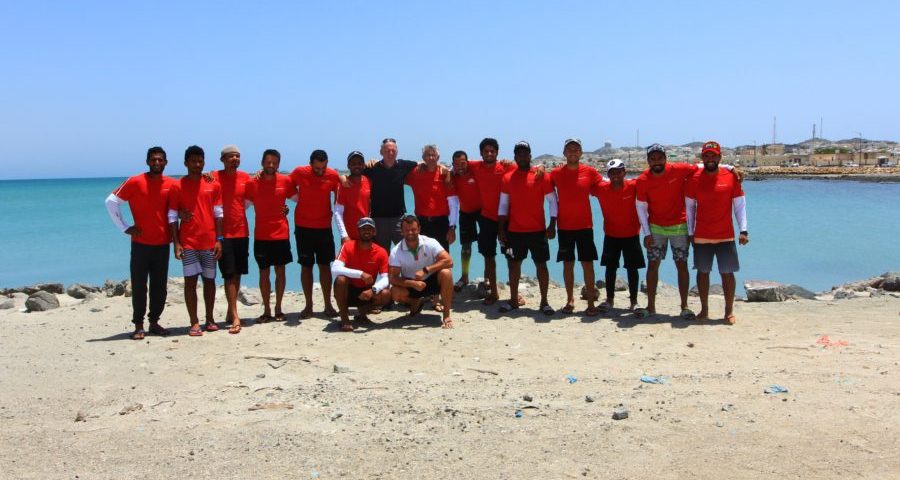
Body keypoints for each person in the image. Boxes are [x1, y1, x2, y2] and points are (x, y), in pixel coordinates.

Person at [636, 143, 739, 319]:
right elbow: (640, 207)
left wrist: (729, 167)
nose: (657, 162)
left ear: (665, 159)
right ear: (648, 161)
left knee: (681, 265)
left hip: (679, 226)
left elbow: (705, 165)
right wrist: (646, 233)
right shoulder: (643, 180)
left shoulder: (678, 169)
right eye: (652, 159)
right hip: (656, 228)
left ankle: (684, 306)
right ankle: (651, 306)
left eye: (660, 158)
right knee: (653, 265)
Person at [105, 146, 178, 340]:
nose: (156, 163)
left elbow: (183, 201)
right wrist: (124, 227)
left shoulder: (171, 184)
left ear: (166, 162)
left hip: (163, 243)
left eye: (160, 160)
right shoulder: (135, 181)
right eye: (153, 160)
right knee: (139, 285)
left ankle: (154, 322)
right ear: (147, 162)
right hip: (140, 244)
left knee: (159, 286)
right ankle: (138, 325)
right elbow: (111, 202)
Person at [686, 141, 749, 325]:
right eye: (707, 155)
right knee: (702, 272)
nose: (710, 159)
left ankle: (728, 312)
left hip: (725, 235)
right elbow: (690, 207)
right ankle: (704, 310)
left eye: (714, 155)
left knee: (727, 273)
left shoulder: (731, 177)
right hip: (702, 234)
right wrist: (690, 232)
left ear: (719, 157)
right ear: (702, 158)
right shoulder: (694, 178)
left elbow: (739, 206)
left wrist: (743, 230)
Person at [168, 146, 224, 337]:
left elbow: (219, 214)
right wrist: (176, 243)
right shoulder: (177, 186)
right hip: (189, 242)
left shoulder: (213, 185)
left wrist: (219, 240)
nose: (197, 164)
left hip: (209, 242)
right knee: (190, 283)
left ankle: (210, 319)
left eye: (200, 161)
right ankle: (194, 322)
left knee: (210, 281)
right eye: (193, 161)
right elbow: (172, 216)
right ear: (186, 163)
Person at [497, 141, 558, 315]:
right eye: (519, 154)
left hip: (538, 231)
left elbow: (553, 201)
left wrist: (552, 224)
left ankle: (544, 302)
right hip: (514, 231)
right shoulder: (508, 178)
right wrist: (501, 229)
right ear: (515, 157)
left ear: (530, 156)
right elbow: (503, 204)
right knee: (513, 265)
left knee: (541, 266)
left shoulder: (541, 176)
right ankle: (514, 300)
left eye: (525, 154)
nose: (522, 157)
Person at [245, 149, 297, 325]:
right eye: (268, 162)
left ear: (279, 164)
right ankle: (266, 309)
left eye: (275, 162)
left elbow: (299, 198)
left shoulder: (285, 180)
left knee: (280, 271)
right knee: (263, 272)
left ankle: (278, 308)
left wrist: (288, 209)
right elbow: (241, 204)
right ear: (262, 163)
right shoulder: (253, 183)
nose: (271, 165)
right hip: (261, 235)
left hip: (281, 233)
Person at [550, 138, 601, 316]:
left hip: (585, 226)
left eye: (576, 149)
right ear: (564, 153)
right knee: (568, 264)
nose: (572, 151)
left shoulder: (591, 172)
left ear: (581, 152)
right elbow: (544, 190)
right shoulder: (556, 173)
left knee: (588, 264)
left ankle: (591, 303)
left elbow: (605, 188)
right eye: (569, 149)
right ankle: (570, 299)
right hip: (564, 226)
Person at [466, 138, 518, 305]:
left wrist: (541, 168)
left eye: (492, 151)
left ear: (497, 152)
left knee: (511, 257)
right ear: (481, 153)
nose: (489, 153)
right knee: (489, 257)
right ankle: (493, 292)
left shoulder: (507, 166)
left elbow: (528, 171)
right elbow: (458, 163)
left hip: (507, 220)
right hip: (486, 219)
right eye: (486, 151)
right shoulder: (475, 166)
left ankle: (514, 295)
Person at [290, 149, 341, 319]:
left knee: (325, 266)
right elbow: (284, 185)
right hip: (303, 227)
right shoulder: (299, 172)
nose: (320, 172)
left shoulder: (332, 175)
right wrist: (295, 199)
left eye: (323, 168)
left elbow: (340, 195)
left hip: (324, 227)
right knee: (306, 266)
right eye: (317, 168)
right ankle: (308, 305)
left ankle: (328, 305)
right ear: (310, 163)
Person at [592, 159, 647, 315]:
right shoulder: (601, 188)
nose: (616, 175)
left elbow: (651, 180)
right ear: (608, 175)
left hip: (632, 235)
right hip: (611, 235)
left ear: (624, 172)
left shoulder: (634, 186)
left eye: (618, 172)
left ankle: (634, 302)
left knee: (632, 269)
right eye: (612, 172)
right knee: (610, 268)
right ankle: (609, 300)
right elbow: (581, 186)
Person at [211, 145, 251, 334]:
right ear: (222, 159)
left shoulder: (245, 177)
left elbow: (253, 198)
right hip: (221, 234)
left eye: (237, 156)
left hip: (242, 231)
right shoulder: (212, 177)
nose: (234, 159)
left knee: (237, 273)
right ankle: (235, 315)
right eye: (230, 156)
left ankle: (230, 309)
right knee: (228, 273)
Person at [388, 214, 455, 328]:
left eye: (413, 229)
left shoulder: (430, 242)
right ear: (402, 231)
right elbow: (392, 278)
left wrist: (426, 270)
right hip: (411, 284)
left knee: (446, 273)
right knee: (394, 292)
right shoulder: (396, 251)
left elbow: (449, 261)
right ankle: (414, 302)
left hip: (431, 280)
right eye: (407, 230)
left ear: (419, 229)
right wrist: (412, 283)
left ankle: (446, 315)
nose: (410, 232)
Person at [331, 217, 391, 331]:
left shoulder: (381, 252)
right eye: (363, 228)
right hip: (348, 290)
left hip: (366, 291)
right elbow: (335, 269)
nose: (366, 231)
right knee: (340, 280)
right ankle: (344, 319)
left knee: (386, 294)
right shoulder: (348, 246)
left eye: (369, 228)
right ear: (358, 231)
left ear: (374, 232)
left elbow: (386, 278)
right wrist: (360, 274)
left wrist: (373, 290)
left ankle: (362, 313)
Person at [364, 138, 419, 251]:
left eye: (393, 150)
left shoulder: (403, 165)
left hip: (398, 219)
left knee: (406, 252)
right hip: (379, 220)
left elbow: (423, 164)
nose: (390, 153)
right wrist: (343, 177)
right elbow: (354, 173)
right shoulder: (372, 168)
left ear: (397, 152)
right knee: (382, 254)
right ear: (381, 152)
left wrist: (441, 166)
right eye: (387, 150)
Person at [404, 144, 459, 250]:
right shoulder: (416, 173)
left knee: (443, 258)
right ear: (423, 158)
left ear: (438, 157)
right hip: (422, 223)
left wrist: (452, 227)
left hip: (441, 223)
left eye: (434, 155)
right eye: (428, 155)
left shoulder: (445, 174)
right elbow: (397, 175)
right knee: (423, 257)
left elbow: (453, 203)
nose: (431, 158)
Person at [450, 150, 481, 291]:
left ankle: (487, 278)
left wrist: (538, 167)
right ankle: (464, 277)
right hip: (465, 213)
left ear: (467, 162)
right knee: (466, 248)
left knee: (486, 247)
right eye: (456, 164)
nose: (460, 166)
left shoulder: (476, 168)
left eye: (462, 163)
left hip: (483, 212)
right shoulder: (453, 175)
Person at [334, 151, 371, 244]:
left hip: (367, 235)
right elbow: (338, 212)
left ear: (363, 165)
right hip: (349, 236)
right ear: (348, 166)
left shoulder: (369, 181)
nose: (357, 166)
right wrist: (344, 235)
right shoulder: (343, 185)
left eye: (359, 163)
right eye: (353, 163)